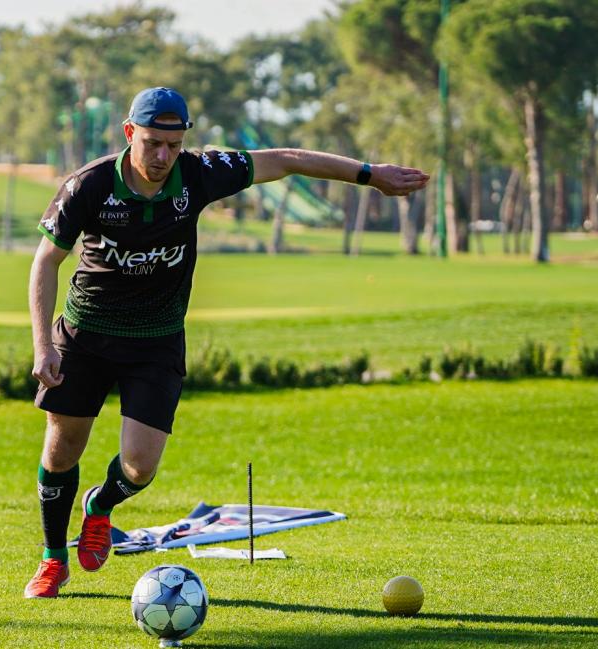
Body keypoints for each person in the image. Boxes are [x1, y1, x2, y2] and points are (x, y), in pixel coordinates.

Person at [23, 87, 429, 598]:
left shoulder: (199, 173)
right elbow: (46, 262)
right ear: (130, 133)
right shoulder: (89, 185)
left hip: (155, 341)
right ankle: (53, 558)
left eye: (174, 145)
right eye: (152, 143)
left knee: (139, 468)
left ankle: (100, 506)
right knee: (62, 450)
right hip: (86, 335)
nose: (164, 156)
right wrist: (44, 345)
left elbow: (286, 159)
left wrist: (370, 175)